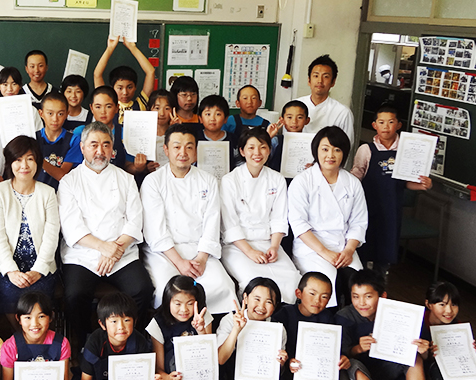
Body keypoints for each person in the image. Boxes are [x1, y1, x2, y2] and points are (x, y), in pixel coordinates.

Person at [58, 121, 153, 348]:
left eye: (105, 145)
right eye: (93, 145)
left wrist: (114, 250)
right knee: (74, 295)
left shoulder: (125, 179)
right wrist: (103, 248)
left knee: (142, 289)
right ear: (82, 148)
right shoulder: (69, 181)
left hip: (121, 252)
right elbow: (72, 227)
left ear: (113, 150)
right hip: (83, 255)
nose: (99, 151)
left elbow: (134, 220)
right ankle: (85, 346)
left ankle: (129, 342)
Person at [141, 124, 236, 314]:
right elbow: (155, 229)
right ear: (166, 149)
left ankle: (216, 338)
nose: (183, 153)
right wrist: (180, 262)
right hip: (165, 253)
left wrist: (201, 258)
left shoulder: (208, 180)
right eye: (177, 147)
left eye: (189, 147)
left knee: (223, 287)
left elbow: (212, 222)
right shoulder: (153, 181)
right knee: (166, 292)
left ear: (196, 150)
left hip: (199, 251)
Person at [287, 126, 368, 307]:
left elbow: (359, 222)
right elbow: (298, 224)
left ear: (344, 153)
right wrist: (325, 252)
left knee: (358, 285)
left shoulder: (353, 183)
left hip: (343, 247)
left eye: (337, 150)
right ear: (316, 151)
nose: (330, 155)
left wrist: (348, 251)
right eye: (325, 149)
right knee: (326, 285)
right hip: (312, 248)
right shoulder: (302, 181)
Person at [220, 127, 301, 304]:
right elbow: (229, 224)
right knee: (253, 283)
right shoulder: (229, 181)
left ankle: (282, 323)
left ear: (269, 150)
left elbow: (279, 218)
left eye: (263, 147)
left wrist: (274, 247)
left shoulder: (277, 179)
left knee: (291, 279)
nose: (257, 153)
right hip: (238, 246)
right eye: (251, 148)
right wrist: (249, 251)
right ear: (242, 151)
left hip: (268, 243)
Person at [337, 269, 430, 380]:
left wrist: (423, 351)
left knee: (412, 352)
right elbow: (342, 355)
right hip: (363, 376)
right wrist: (358, 348)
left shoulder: (400, 314)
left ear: (383, 296)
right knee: (352, 365)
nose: (361, 303)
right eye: (355, 297)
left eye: (368, 296)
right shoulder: (344, 316)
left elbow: (426, 354)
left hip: (392, 372)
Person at [0, 136, 60, 330]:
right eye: (18, 159)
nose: (24, 165)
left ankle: (34, 337)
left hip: (41, 267)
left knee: (38, 300)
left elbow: (51, 236)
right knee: (11, 293)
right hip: (6, 266)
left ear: (37, 161)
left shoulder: (48, 192)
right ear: (10, 163)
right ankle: (21, 336)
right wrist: (11, 270)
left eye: (30, 158)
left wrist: (38, 269)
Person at [351, 103, 432, 274]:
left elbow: (404, 182)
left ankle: (381, 287)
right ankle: (362, 283)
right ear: (374, 125)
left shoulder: (406, 150)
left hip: (391, 210)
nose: (385, 127)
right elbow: (355, 177)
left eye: (390, 122)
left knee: (385, 252)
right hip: (368, 208)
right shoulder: (366, 150)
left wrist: (422, 185)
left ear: (399, 125)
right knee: (364, 248)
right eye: (381, 122)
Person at [70, 292, 168, 380]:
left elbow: (146, 379)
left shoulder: (139, 341)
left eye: (127, 320)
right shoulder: (94, 343)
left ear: (135, 320)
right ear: (103, 324)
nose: (121, 327)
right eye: (114, 321)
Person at [63, 86, 151, 175]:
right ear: (91, 108)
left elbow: (127, 166)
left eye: (108, 106)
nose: (103, 112)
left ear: (117, 107)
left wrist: (138, 167)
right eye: (98, 107)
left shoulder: (125, 133)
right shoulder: (80, 132)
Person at [93, 36, 156, 124]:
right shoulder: (107, 105)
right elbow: (97, 74)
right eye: (120, 88)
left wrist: (132, 47)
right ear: (112, 88)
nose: (125, 92)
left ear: (135, 87)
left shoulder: (140, 104)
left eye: (129, 87)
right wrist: (110, 48)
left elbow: (150, 72)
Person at [298, 55, 355, 140]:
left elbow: (346, 145)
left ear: (333, 82)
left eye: (326, 77)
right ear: (309, 80)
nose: (320, 81)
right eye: (316, 76)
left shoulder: (342, 113)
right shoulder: (295, 106)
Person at [35, 92, 73, 189]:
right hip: (36, 194)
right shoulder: (33, 138)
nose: (55, 119)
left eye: (60, 114)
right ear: (41, 113)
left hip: (63, 195)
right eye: (50, 113)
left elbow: (63, 176)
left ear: (67, 114)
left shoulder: (74, 140)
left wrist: (37, 158)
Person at [195, 94, 240, 170]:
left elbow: (239, 163)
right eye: (208, 114)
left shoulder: (234, 139)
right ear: (200, 119)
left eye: (218, 114)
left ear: (225, 119)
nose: (212, 118)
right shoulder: (194, 139)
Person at [267, 100, 311, 172]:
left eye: (299, 117)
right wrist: (268, 137)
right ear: (282, 120)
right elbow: (262, 158)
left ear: (307, 120)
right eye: (289, 117)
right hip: (276, 180)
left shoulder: (311, 142)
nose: (294, 121)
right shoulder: (276, 141)